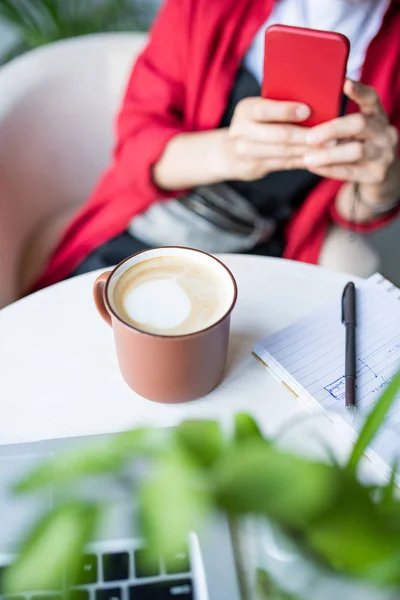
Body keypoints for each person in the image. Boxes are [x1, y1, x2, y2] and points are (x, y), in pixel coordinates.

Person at [33, 0, 400, 290]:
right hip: (155, 224)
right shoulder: (207, 6)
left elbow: (349, 212)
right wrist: (231, 152)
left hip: (261, 252)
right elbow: (135, 144)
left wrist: (382, 181)